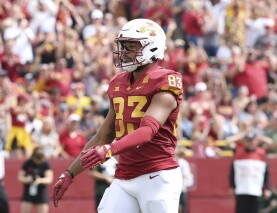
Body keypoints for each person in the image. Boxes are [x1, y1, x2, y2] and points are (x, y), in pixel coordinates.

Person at [53, 18, 184, 213]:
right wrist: (70, 173)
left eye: (132, 46)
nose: (125, 52)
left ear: (152, 47)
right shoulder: (118, 82)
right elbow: (103, 136)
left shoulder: (165, 80)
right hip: (124, 176)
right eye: (124, 46)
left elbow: (147, 131)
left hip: (158, 174)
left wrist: (110, 150)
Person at [229, 131, 270, 213]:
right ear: (244, 142)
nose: (250, 143)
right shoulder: (238, 153)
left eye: (252, 140)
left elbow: (266, 173)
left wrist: (266, 188)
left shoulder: (261, 154)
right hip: (241, 190)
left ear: (256, 141)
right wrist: (232, 186)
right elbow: (232, 171)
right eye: (248, 140)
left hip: (256, 190)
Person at [17, 146, 53, 213]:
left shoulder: (45, 163)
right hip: (29, 189)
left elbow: (49, 178)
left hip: (41, 190)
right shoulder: (28, 163)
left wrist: (39, 180)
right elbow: (20, 177)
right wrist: (27, 179)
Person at [176, 146, 194, 213]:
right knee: (181, 205)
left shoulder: (181, 162)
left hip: (179, 188)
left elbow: (185, 176)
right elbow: (186, 176)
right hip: (181, 189)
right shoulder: (183, 162)